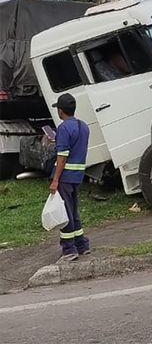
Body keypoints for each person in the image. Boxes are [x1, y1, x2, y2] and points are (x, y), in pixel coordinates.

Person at [49, 93, 91, 262]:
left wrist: (55, 179)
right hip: (78, 175)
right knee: (73, 210)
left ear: (60, 111)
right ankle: (82, 244)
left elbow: (62, 156)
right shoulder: (84, 126)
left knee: (65, 212)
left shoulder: (64, 128)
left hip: (65, 176)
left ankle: (69, 249)